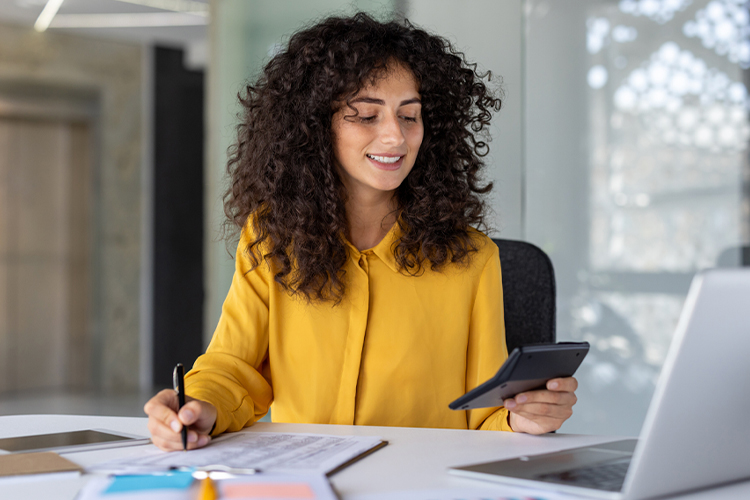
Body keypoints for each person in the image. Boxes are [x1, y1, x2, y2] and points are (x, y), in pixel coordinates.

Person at [144, 12, 578, 451]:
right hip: (304, 478)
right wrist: (199, 406)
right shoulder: (271, 237)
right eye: (366, 115)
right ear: (316, 127)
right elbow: (234, 367)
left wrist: (527, 419)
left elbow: (488, 419)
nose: (395, 136)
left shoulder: (473, 257)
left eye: (409, 116)